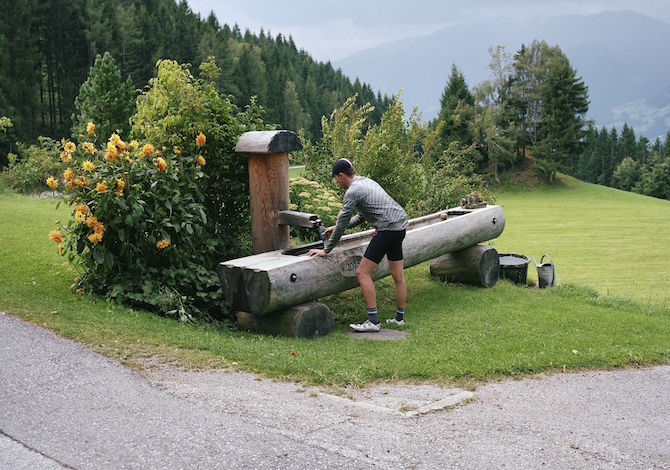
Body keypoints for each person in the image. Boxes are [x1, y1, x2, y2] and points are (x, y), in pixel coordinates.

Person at [309, 158, 409, 332]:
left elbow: (342, 222)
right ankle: (399, 319)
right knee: (398, 274)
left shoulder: (352, 191)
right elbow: (362, 217)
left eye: (336, 178)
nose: (337, 182)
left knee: (362, 272)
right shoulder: (366, 182)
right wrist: (338, 227)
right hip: (400, 226)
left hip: (387, 229)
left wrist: (326, 249)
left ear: (340, 175)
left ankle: (373, 321)